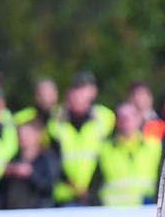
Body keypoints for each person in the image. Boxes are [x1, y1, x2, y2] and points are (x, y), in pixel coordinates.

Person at [46, 72, 114, 204]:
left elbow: (109, 154)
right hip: (65, 195)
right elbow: (53, 158)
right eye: (74, 93)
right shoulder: (55, 122)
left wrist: (92, 188)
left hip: (96, 194)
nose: (78, 98)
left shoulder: (106, 117)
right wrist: (72, 185)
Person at [90, 103, 163, 207]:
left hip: (145, 212)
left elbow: (164, 181)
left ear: (138, 119)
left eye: (129, 117)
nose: (126, 121)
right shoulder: (105, 149)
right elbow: (94, 186)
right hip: (114, 213)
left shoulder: (154, 147)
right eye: (122, 118)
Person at [0, 120, 62, 211]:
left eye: (27, 134)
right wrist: (5, 175)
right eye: (20, 135)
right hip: (14, 212)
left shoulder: (47, 158)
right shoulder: (14, 158)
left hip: (40, 211)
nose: (23, 138)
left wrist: (30, 174)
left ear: (37, 135)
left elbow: (50, 187)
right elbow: (0, 191)